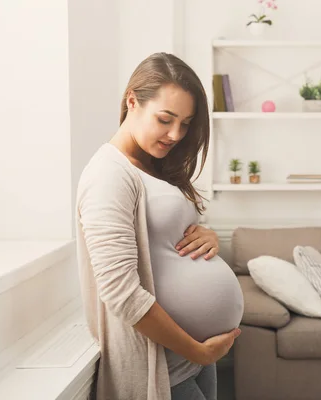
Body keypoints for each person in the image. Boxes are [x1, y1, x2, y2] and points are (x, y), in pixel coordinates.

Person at [75, 52, 244, 400]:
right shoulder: (109, 173)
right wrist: (196, 350)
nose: (175, 134)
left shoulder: (151, 165)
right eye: (165, 119)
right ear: (132, 100)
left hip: (193, 360)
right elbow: (122, 292)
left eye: (185, 123)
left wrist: (208, 236)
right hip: (164, 367)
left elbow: (166, 241)